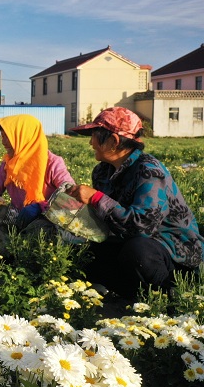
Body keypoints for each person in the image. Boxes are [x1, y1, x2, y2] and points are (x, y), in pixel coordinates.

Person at [67, 107, 204, 299]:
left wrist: (96, 198)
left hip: (170, 252)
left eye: (95, 136)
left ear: (114, 141)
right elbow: (107, 219)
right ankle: (129, 294)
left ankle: (171, 295)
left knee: (138, 252)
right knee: (82, 252)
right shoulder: (102, 171)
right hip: (127, 241)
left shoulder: (149, 171)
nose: (91, 142)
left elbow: (142, 227)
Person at [0, 114, 75, 231]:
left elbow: (71, 197)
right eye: (2, 137)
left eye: (7, 137)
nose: (3, 142)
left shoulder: (52, 163)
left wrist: (41, 207)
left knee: (40, 229)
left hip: (49, 222)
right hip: (17, 220)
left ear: (24, 137)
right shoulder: (9, 164)